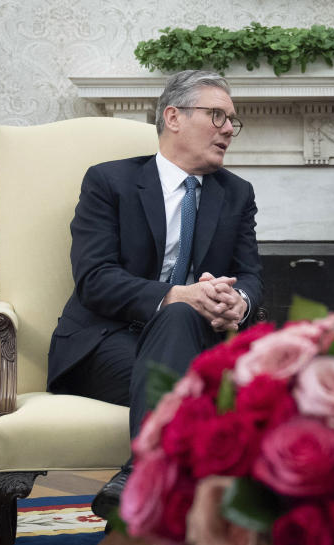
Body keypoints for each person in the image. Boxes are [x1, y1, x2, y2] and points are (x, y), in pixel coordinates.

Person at [47, 70, 264, 520]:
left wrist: (236, 302)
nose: (228, 129)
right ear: (174, 117)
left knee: (187, 324)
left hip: (195, 342)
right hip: (104, 344)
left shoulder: (237, 194)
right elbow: (94, 278)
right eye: (217, 116)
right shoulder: (110, 183)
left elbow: (250, 276)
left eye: (232, 121)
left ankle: (143, 477)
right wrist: (176, 296)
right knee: (192, 345)